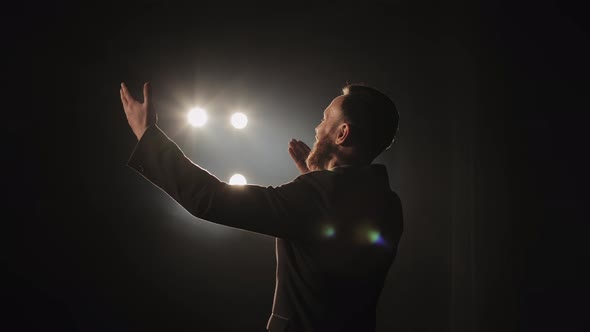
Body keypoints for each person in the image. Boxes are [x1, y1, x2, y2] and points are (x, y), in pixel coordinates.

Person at [120, 82, 403, 332]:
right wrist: (315, 177)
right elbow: (331, 255)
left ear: (342, 134)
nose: (317, 129)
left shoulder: (318, 196)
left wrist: (149, 137)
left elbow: (210, 199)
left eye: (325, 118)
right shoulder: (388, 203)